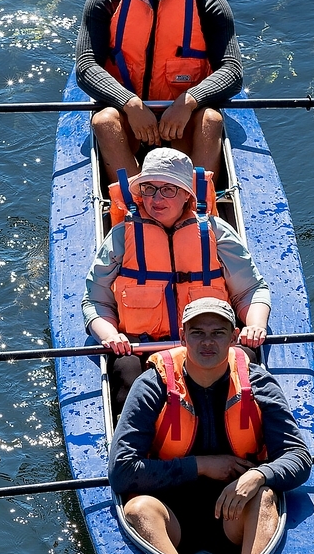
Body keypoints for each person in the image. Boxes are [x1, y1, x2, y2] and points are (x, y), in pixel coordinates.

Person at [108, 298, 312, 554]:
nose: (207, 342)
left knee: (264, 496)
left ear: (234, 337)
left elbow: (298, 457)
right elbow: (121, 473)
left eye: (218, 333)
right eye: (197, 333)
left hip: (234, 514)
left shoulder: (259, 384)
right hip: (171, 517)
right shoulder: (151, 386)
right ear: (182, 338)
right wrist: (202, 466)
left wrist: (258, 474)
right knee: (138, 510)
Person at [82, 147, 271, 409]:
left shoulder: (216, 232)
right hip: (140, 349)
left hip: (207, 341)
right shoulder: (120, 237)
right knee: (126, 374)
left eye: (168, 189)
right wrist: (110, 335)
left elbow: (251, 289)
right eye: (149, 188)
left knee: (244, 361)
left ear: (186, 195)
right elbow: (94, 301)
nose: (156, 198)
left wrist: (254, 326)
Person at [75, 0, 243, 182]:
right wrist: (129, 104)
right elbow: (85, 67)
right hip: (127, 115)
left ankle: (198, 206)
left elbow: (233, 72)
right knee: (104, 121)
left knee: (211, 119)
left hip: (182, 119)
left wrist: (188, 103)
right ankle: (132, 209)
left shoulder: (208, 0)